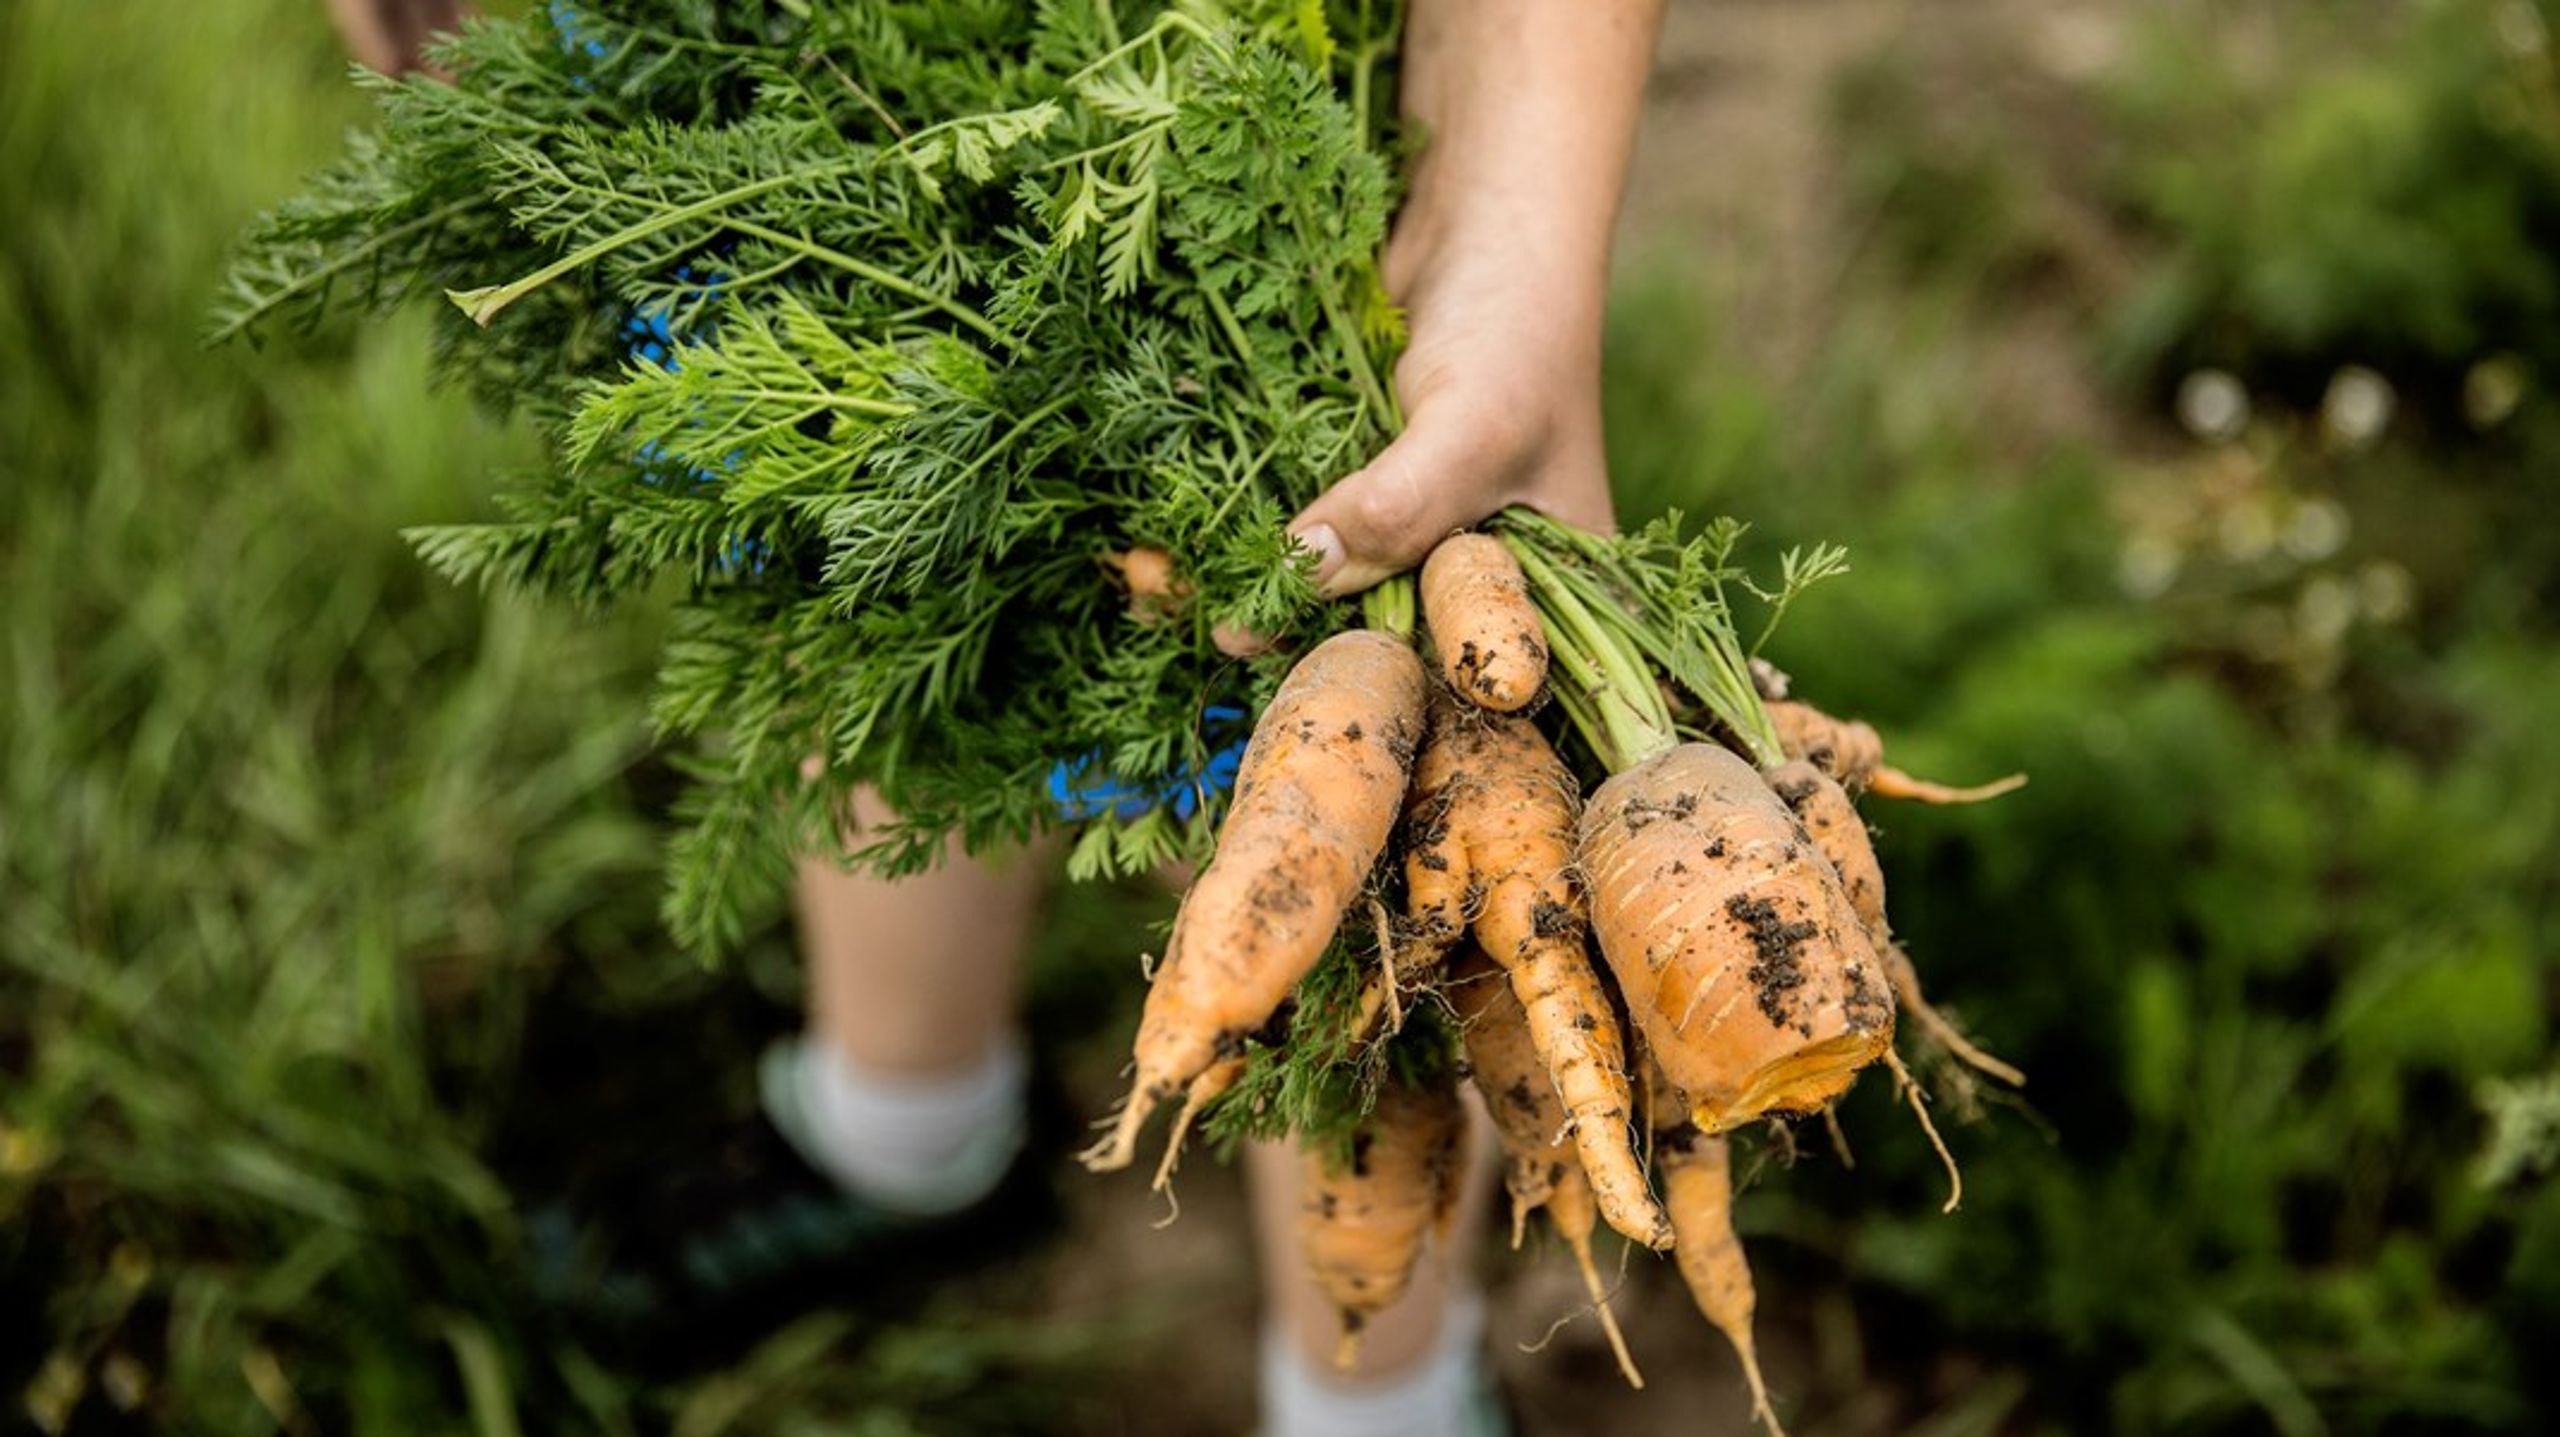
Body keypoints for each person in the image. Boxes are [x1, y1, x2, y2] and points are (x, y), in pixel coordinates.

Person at [337, 3, 1664, 1432]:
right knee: (853, 534)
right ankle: (904, 1125)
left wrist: (1520, 211)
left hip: (1206, 64)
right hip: (725, 63)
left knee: (1324, 792)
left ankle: (1377, 1398)